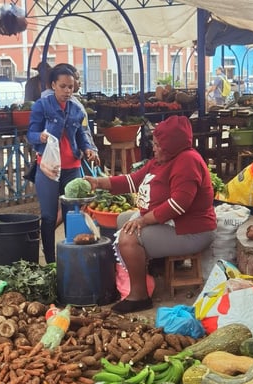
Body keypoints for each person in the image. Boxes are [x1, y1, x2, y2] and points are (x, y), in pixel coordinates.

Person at [83, 115, 216, 314]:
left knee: (129, 237)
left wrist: (144, 220)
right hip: (172, 224)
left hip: (192, 231)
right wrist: (99, 183)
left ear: (170, 145)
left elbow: (179, 204)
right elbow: (133, 180)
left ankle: (139, 296)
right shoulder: (161, 161)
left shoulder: (187, 161)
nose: (153, 147)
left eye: (157, 144)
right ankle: (145, 270)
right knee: (122, 220)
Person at [27, 64, 98, 264]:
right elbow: (30, 134)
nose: (68, 91)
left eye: (71, 87)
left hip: (72, 168)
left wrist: (88, 149)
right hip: (49, 169)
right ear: (53, 85)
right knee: (49, 217)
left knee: (72, 215)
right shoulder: (42, 106)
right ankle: (50, 261)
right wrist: (39, 137)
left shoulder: (77, 109)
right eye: (63, 86)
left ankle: (70, 258)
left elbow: (81, 135)